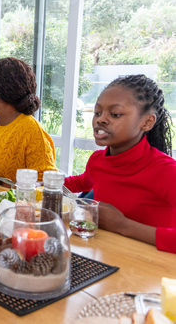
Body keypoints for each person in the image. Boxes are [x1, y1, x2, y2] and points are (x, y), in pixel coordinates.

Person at [64, 74, 176, 254]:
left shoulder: (167, 172)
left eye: (115, 114)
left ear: (147, 122)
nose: (100, 120)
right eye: (98, 112)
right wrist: (46, 183)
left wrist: (123, 225)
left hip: (154, 272)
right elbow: (82, 182)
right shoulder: (97, 161)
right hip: (108, 258)